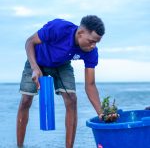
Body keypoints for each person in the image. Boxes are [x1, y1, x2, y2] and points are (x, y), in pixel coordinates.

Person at [16, 15, 114, 148]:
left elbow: (90, 85)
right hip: (37, 60)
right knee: (26, 100)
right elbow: (29, 42)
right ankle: (19, 145)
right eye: (91, 41)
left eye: (96, 42)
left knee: (72, 100)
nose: (93, 46)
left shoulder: (91, 52)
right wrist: (34, 67)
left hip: (61, 64)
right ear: (80, 33)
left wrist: (101, 113)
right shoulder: (58, 28)